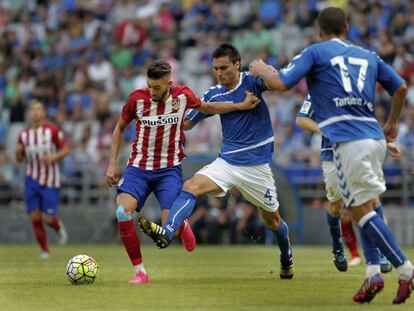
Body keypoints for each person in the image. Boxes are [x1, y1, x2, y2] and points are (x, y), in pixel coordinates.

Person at [249, 6, 413, 304]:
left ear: (319, 31)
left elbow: (283, 83)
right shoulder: (368, 55)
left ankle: (406, 270)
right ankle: (373, 273)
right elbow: (400, 87)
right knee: (369, 205)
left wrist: (261, 69)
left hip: (348, 141)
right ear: (347, 29)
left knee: (360, 211)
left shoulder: (316, 52)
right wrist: (391, 124)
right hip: (374, 137)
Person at [138, 43, 294, 280]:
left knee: (273, 221)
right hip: (227, 164)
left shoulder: (252, 81)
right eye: (215, 69)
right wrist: (168, 108)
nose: (219, 73)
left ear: (237, 64)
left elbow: (279, 85)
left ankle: (286, 258)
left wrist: (268, 72)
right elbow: (188, 122)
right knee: (190, 186)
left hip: (257, 169)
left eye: (224, 68)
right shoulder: (213, 94)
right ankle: (168, 232)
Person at [105, 59, 260, 284]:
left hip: (168, 171)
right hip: (138, 169)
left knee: (171, 232)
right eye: (149, 86)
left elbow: (207, 108)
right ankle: (140, 271)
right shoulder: (136, 99)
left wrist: (240, 106)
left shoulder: (183, 95)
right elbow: (119, 128)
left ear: (169, 83)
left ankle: (182, 225)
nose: (152, 91)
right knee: (122, 212)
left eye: (157, 87)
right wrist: (112, 163)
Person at [296, 94, 398, 273]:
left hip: (359, 151)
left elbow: (365, 121)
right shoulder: (318, 89)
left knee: (373, 201)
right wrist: (326, 130)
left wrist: (384, 142)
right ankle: (337, 245)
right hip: (332, 155)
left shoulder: (355, 88)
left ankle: (382, 252)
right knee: (335, 207)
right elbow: (301, 120)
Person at [15, 99, 70, 259]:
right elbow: (19, 159)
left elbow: (66, 149)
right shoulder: (24, 135)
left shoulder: (51, 131)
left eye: (39, 109)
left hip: (50, 181)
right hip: (31, 179)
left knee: (47, 217)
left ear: (44, 113)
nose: (36, 112)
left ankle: (57, 225)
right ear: (29, 113)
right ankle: (44, 250)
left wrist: (53, 158)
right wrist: (18, 153)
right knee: (35, 215)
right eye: (33, 109)